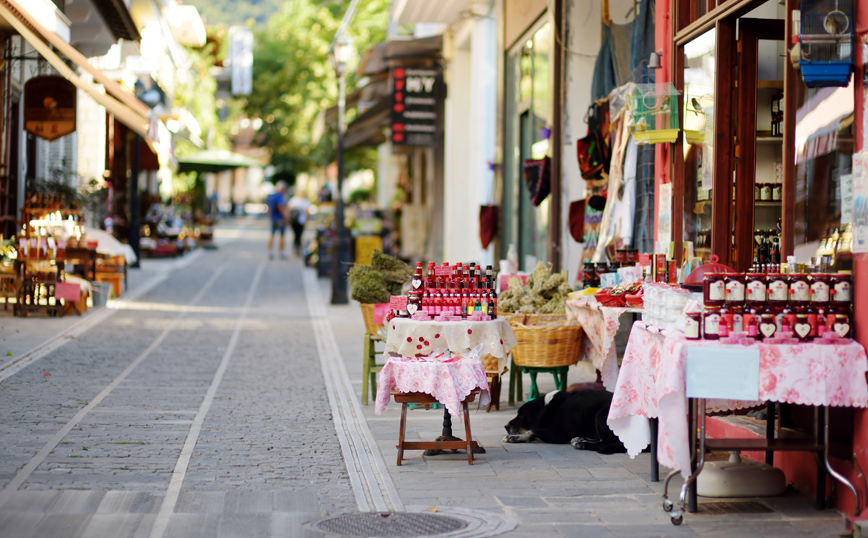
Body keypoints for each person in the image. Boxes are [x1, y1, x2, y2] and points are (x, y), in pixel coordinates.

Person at [266, 181, 288, 259]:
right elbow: (281, 207)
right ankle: (281, 252)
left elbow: (269, 209)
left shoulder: (272, 196)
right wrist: (285, 217)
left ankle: (270, 252)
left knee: (272, 234)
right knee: (281, 236)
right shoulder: (280, 196)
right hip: (280, 219)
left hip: (273, 218)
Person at [287, 190, 311, 256]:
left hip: (294, 220)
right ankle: (298, 249)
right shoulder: (305, 201)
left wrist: (289, 217)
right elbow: (307, 211)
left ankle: (295, 249)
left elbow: (288, 209)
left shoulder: (293, 200)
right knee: (299, 235)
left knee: (295, 235)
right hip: (301, 220)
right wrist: (308, 219)